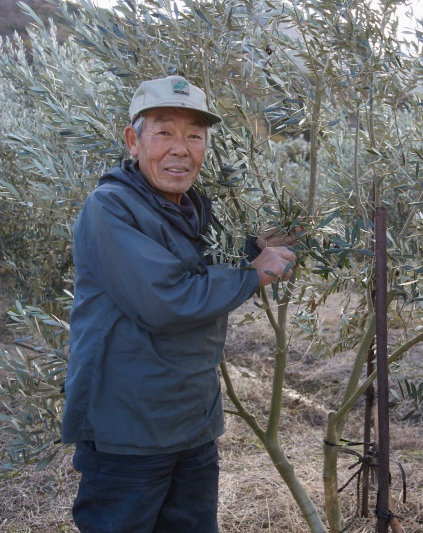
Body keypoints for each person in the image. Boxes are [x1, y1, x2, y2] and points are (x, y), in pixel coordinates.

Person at [62, 75, 297, 533]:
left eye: (194, 135)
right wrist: (254, 274)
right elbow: (167, 301)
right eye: (164, 131)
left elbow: (216, 258)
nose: (180, 148)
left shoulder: (195, 208)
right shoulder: (109, 208)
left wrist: (266, 245)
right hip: (126, 430)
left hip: (191, 424)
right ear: (133, 141)